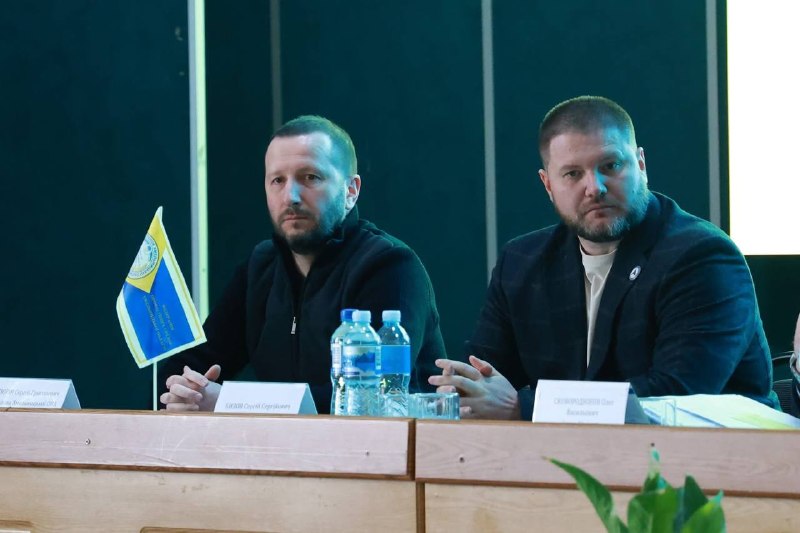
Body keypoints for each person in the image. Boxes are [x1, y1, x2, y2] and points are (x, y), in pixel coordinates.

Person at [430, 95, 777, 419]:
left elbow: (673, 397)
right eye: (573, 174)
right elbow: (486, 375)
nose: (594, 187)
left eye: (610, 166)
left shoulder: (701, 256)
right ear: (548, 185)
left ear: (641, 164)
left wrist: (524, 406)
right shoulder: (521, 262)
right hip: (572, 457)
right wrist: (466, 390)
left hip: (723, 457)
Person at [160, 115, 445, 412]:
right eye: (278, 180)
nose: (291, 196)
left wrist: (231, 402)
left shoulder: (390, 266)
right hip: (281, 443)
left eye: (310, 177)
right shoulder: (260, 267)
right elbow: (191, 364)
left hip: (390, 441)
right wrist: (182, 392)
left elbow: (372, 399)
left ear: (351, 190)